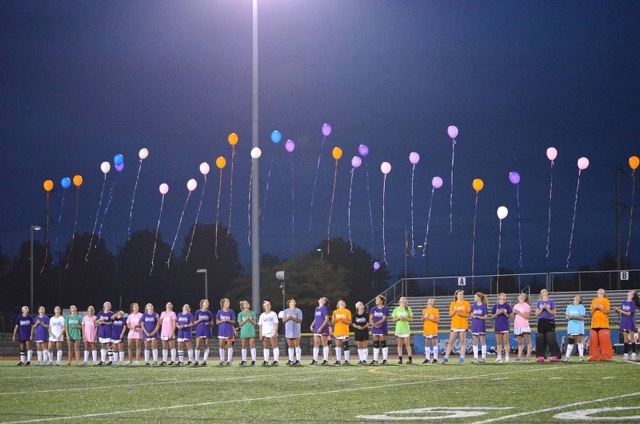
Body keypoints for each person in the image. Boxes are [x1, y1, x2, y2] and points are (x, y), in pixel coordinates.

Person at [442, 290, 470, 364]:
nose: (461, 295)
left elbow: (469, 315)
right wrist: (454, 311)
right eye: (460, 294)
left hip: (463, 324)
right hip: (454, 325)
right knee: (451, 341)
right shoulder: (453, 303)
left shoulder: (466, 303)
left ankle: (462, 357)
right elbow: (450, 315)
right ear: (456, 295)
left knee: (462, 342)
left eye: (462, 294)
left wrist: (462, 315)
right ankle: (446, 357)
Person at [535, 289, 561, 362]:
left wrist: (546, 308)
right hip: (541, 321)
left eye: (545, 291)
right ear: (541, 294)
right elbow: (537, 314)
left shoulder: (551, 302)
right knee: (541, 339)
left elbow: (554, 313)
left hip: (549, 321)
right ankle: (541, 356)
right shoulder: (538, 303)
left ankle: (555, 355)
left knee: (551, 338)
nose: (544, 292)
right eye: (542, 292)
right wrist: (542, 308)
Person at [614, 290, 640, 361]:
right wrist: (617, 310)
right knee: (625, 338)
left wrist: (620, 310)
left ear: (633, 295)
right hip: (624, 321)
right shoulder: (624, 302)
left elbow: (629, 313)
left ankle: (633, 353)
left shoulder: (632, 303)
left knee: (632, 338)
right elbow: (622, 313)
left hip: (630, 321)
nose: (629, 291)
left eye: (631, 291)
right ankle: (626, 354)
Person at [589, 288, 612, 362]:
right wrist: (595, 308)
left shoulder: (606, 300)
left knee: (604, 341)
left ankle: (605, 355)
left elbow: (607, 312)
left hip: (603, 324)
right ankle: (593, 355)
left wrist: (600, 308)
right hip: (594, 324)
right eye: (599, 291)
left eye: (601, 291)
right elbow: (591, 312)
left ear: (604, 293)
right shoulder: (594, 300)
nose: (600, 292)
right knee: (593, 341)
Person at [491, 292, 513, 363]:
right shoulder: (495, 306)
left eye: (505, 295)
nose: (504, 296)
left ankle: (507, 357)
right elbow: (492, 316)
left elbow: (509, 316)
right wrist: (497, 313)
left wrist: (504, 312)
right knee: (498, 342)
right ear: (499, 297)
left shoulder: (507, 306)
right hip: (498, 325)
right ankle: (499, 357)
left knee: (506, 342)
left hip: (505, 325)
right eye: (503, 295)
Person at [392, 296, 413, 364]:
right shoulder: (396, 309)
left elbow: (411, 319)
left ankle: (410, 359)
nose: (403, 301)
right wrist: (398, 318)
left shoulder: (408, 309)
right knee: (399, 345)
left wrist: (405, 318)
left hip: (405, 329)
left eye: (404, 300)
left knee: (407, 344)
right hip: (399, 329)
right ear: (400, 301)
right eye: (402, 299)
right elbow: (393, 319)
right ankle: (400, 359)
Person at [564, 295, 586, 362]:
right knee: (570, 341)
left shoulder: (581, 307)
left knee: (579, 341)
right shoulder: (569, 306)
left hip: (579, 325)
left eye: (578, 296)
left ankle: (581, 357)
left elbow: (582, 317)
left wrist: (574, 317)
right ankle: (567, 357)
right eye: (575, 296)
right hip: (571, 325)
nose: (576, 297)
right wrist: (568, 317)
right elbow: (566, 316)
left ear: (580, 300)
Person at [369, 295, 390, 365]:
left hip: (382, 328)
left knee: (383, 343)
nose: (376, 301)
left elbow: (384, 319)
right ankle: (375, 360)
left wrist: (377, 323)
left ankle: (385, 360)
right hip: (375, 328)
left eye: (377, 299)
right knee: (376, 344)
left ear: (381, 301)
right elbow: (370, 318)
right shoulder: (373, 309)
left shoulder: (385, 309)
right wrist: (373, 324)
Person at [512, 293, 532, 362]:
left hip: (524, 325)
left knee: (528, 341)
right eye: (520, 295)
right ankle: (519, 357)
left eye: (522, 295)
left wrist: (519, 312)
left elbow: (527, 316)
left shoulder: (526, 305)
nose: (520, 296)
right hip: (517, 326)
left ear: (524, 298)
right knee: (520, 342)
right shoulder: (515, 306)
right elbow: (513, 317)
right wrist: (513, 314)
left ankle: (528, 357)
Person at [282, 298, 303, 365]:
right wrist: (288, 318)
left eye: (294, 301)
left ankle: (298, 360)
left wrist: (293, 318)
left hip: (296, 330)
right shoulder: (286, 311)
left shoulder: (298, 311)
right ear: (289, 303)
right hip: (288, 330)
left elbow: (300, 320)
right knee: (290, 346)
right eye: (292, 301)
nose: (293, 302)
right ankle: (291, 360)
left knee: (297, 345)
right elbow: (283, 321)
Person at [258, 300, 279, 366]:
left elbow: (276, 324)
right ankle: (266, 360)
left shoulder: (273, 314)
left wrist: (275, 332)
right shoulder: (262, 315)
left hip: (272, 332)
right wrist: (260, 334)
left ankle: (276, 360)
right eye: (266, 305)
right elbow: (260, 325)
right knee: (266, 347)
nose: (268, 306)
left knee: (274, 346)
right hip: (265, 333)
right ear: (264, 307)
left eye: (268, 305)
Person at [193, 299, 213, 366]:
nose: (207, 303)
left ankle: (204, 360)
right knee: (198, 345)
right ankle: (196, 360)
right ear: (202, 304)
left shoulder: (209, 313)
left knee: (206, 345)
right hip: (200, 330)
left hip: (207, 330)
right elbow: (194, 323)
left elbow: (212, 323)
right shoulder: (198, 312)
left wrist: (209, 323)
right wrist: (199, 320)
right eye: (206, 302)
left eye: (208, 302)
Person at [310, 297, 330, 365]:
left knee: (324, 344)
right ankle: (314, 360)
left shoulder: (324, 308)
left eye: (322, 298)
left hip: (323, 328)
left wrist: (321, 327)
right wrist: (312, 325)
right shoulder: (317, 308)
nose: (320, 298)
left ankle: (325, 360)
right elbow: (316, 318)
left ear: (324, 302)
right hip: (317, 328)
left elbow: (326, 319)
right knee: (316, 343)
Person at [216, 298, 236, 365]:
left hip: (229, 329)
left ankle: (229, 360)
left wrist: (227, 320)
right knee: (221, 345)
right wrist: (222, 321)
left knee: (229, 344)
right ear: (223, 304)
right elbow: (217, 322)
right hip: (222, 330)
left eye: (228, 302)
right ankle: (222, 360)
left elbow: (233, 321)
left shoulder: (231, 311)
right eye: (227, 302)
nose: (228, 303)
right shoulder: (219, 312)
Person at [332, 300, 353, 365]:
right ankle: (338, 360)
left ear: (345, 304)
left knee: (345, 345)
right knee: (338, 346)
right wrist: (336, 319)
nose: (341, 303)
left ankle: (346, 360)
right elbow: (333, 322)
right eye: (340, 302)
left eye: (342, 302)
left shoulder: (347, 311)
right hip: (337, 330)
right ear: (338, 305)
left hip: (344, 330)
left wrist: (344, 321)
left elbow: (350, 322)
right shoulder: (335, 312)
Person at [237, 300, 257, 366]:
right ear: (243, 306)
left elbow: (254, 323)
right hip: (244, 332)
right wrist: (246, 319)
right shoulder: (240, 314)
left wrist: (249, 319)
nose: (248, 304)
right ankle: (244, 360)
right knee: (243, 346)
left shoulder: (252, 313)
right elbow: (240, 324)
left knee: (252, 346)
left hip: (251, 331)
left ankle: (253, 360)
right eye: (246, 303)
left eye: (248, 303)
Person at [470, 292, 488, 364]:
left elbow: (485, 317)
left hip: (481, 325)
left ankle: (483, 358)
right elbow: (471, 315)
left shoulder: (484, 306)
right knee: (475, 342)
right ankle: (475, 357)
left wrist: (477, 316)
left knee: (482, 342)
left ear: (479, 298)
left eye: (475, 297)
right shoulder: (473, 306)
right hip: (474, 325)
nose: (474, 298)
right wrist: (472, 316)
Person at [421, 298, 440, 364]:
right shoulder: (424, 310)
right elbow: (422, 320)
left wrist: (430, 318)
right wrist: (424, 317)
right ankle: (427, 358)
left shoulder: (435, 310)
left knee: (434, 343)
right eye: (429, 300)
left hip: (433, 329)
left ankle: (435, 358)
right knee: (427, 343)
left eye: (432, 301)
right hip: (426, 329)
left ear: (433, 303)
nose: (430, 301)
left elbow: (437, 320)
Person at [96, 301, 114, 366]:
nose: (108, 306)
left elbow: (112, 322)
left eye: (109, 305)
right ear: (104, 306)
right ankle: (102, 361)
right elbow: (96, 321)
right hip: (101, 332)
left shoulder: (111, 314)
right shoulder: (100, 313)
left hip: (108, 331)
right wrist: (99, 321)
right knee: (103, 346)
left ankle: (111, 361)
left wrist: (104, 322)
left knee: (108, 346)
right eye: (107, 305)